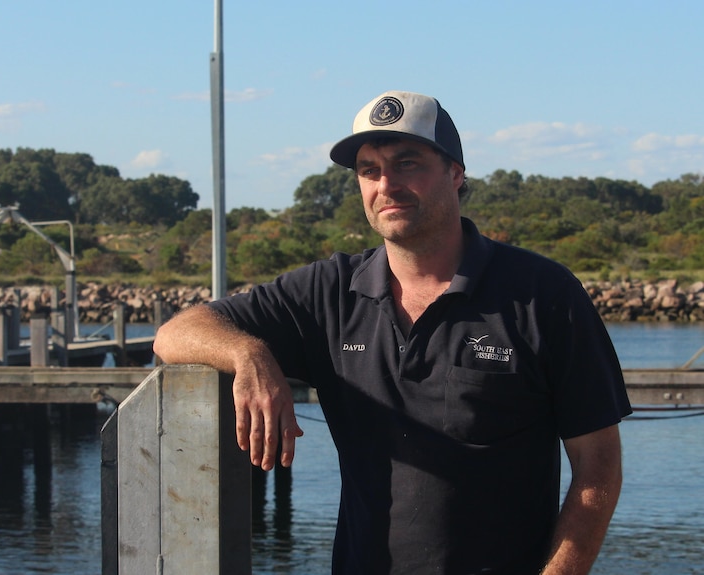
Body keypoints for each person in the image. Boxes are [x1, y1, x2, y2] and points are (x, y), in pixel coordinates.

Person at [153, 90, 632, 574]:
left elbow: (599, 469)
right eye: (369, 170)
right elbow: (175, 333)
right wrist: (249, 354)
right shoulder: (329, 292)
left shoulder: (544, 294)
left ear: (456, 173)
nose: (387, 184)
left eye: (408, 163)